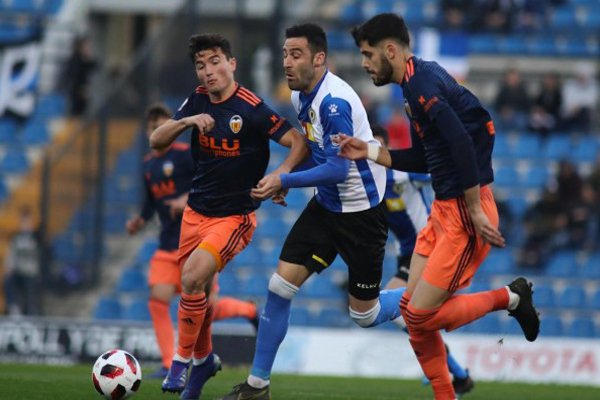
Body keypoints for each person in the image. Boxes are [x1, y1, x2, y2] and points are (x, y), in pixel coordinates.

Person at [336, 14, 539, 400]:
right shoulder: (414, 85)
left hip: (464, 212)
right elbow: (426, 158)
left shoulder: (422, 83)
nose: (364, 63)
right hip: (444, 211)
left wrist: (475, 210)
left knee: (417, 315)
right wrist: (370, 151)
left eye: (367, 54)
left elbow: (462, 140)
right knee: (415, 319)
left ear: (390, 50)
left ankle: (511, 297)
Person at [221, 23, 408, 400]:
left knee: (365, 316)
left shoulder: (333, 103)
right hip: (326, 205)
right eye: (285, 54)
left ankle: (422, 296)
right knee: (279, 287)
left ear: (319, 58)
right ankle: (257, 387)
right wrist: (285, 171)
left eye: (296, 55)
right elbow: (312, 143)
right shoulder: (301, 96)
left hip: (361, 214)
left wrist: (282, 182)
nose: (287, 63)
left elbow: (339, 169)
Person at [150, 34, 307, 398]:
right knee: (200, 295)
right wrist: (188, 121)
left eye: (216, 61)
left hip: (234, 217)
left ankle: (181, 361)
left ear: (232, 63)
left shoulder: (251, 107)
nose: (209, 71)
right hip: (195, 214)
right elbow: (157, 141)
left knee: (190, 279)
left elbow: (298, 141)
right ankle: (204, 362)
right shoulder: (197, 99)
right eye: (201, 65)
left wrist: (280, 176)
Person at [125, 103, 260, 381]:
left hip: (199, 239)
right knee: (157, 302)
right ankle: (167, 363)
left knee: (205, 306)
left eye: (161, 126)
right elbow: (151, 202)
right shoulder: (148, 165)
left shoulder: (187, 156)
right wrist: (140, 219)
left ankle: (248, 310)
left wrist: (184, 199)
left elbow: (209, 183)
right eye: (152, 128)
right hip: (167, 244)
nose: (157, 131)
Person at [372, 125, 474, 395]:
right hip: (407, 253)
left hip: (428, 247)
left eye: (379, 145)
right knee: (410, 316)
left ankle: (445, 365)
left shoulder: (401, 173)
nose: (375, 152)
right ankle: (457, 373)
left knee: (406, 313)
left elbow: (437, 172)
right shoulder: (367, 180)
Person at [2, 207, 40, 316]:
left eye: (27, 222)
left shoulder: (36, 237)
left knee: (30, 284)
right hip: (18, 272)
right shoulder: (16, 237)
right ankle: (14, 308)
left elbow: (40, 256)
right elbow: (11, 255)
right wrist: (9, 266)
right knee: (7, 280)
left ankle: (31, 312)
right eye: (23, 222)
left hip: (31, 273)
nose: (25, 225)